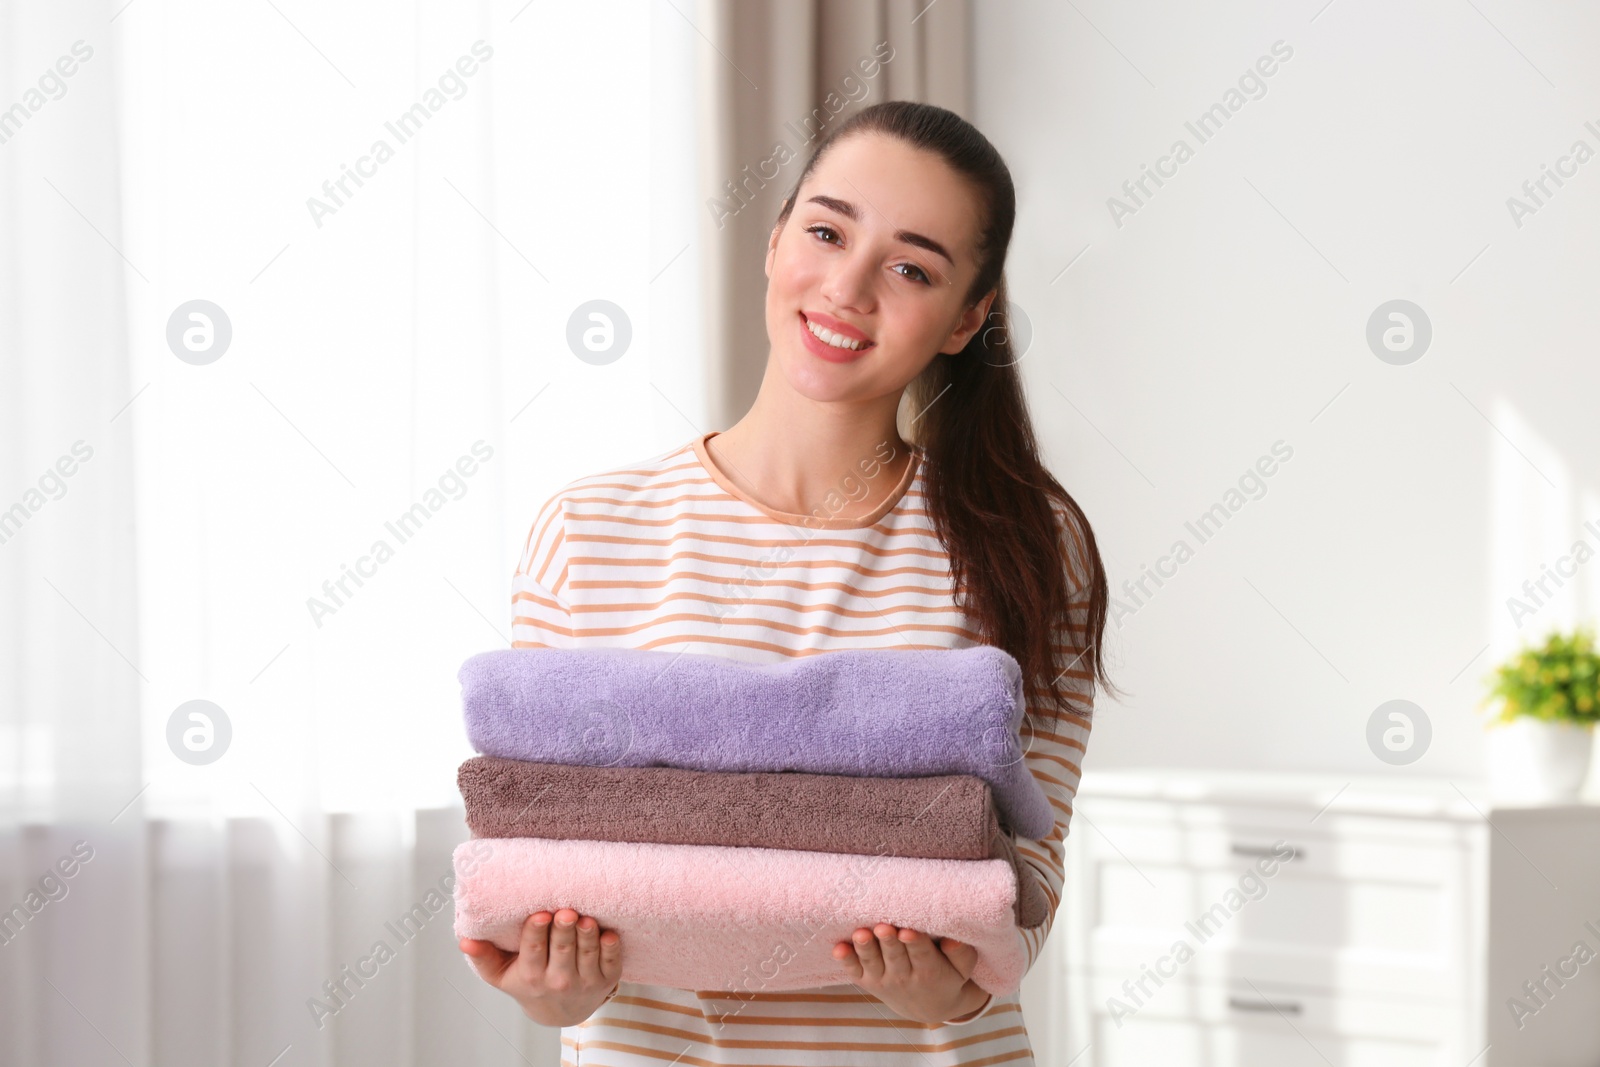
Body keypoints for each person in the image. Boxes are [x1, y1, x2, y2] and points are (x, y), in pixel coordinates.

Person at [459, 98, 1114, 1065]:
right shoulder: (589, 530)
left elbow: (1031, 878)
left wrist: (960, 985)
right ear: (774, 242)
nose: (848, 287)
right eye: (825, 230)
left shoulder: (1023, 540)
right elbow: (543, 852)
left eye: (910, 267)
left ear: (968, 318)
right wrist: (552, 988)